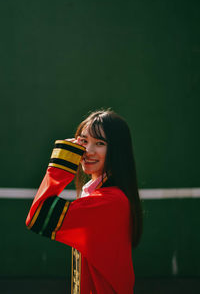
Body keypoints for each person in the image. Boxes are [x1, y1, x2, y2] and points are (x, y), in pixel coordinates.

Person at [26, 109, 143, 294]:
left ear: (116, 150)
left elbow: (38, 216)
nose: (88, 151)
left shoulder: (109, 201)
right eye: (84, 141)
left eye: (100, 143)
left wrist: (62, 160)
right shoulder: (101, 194)